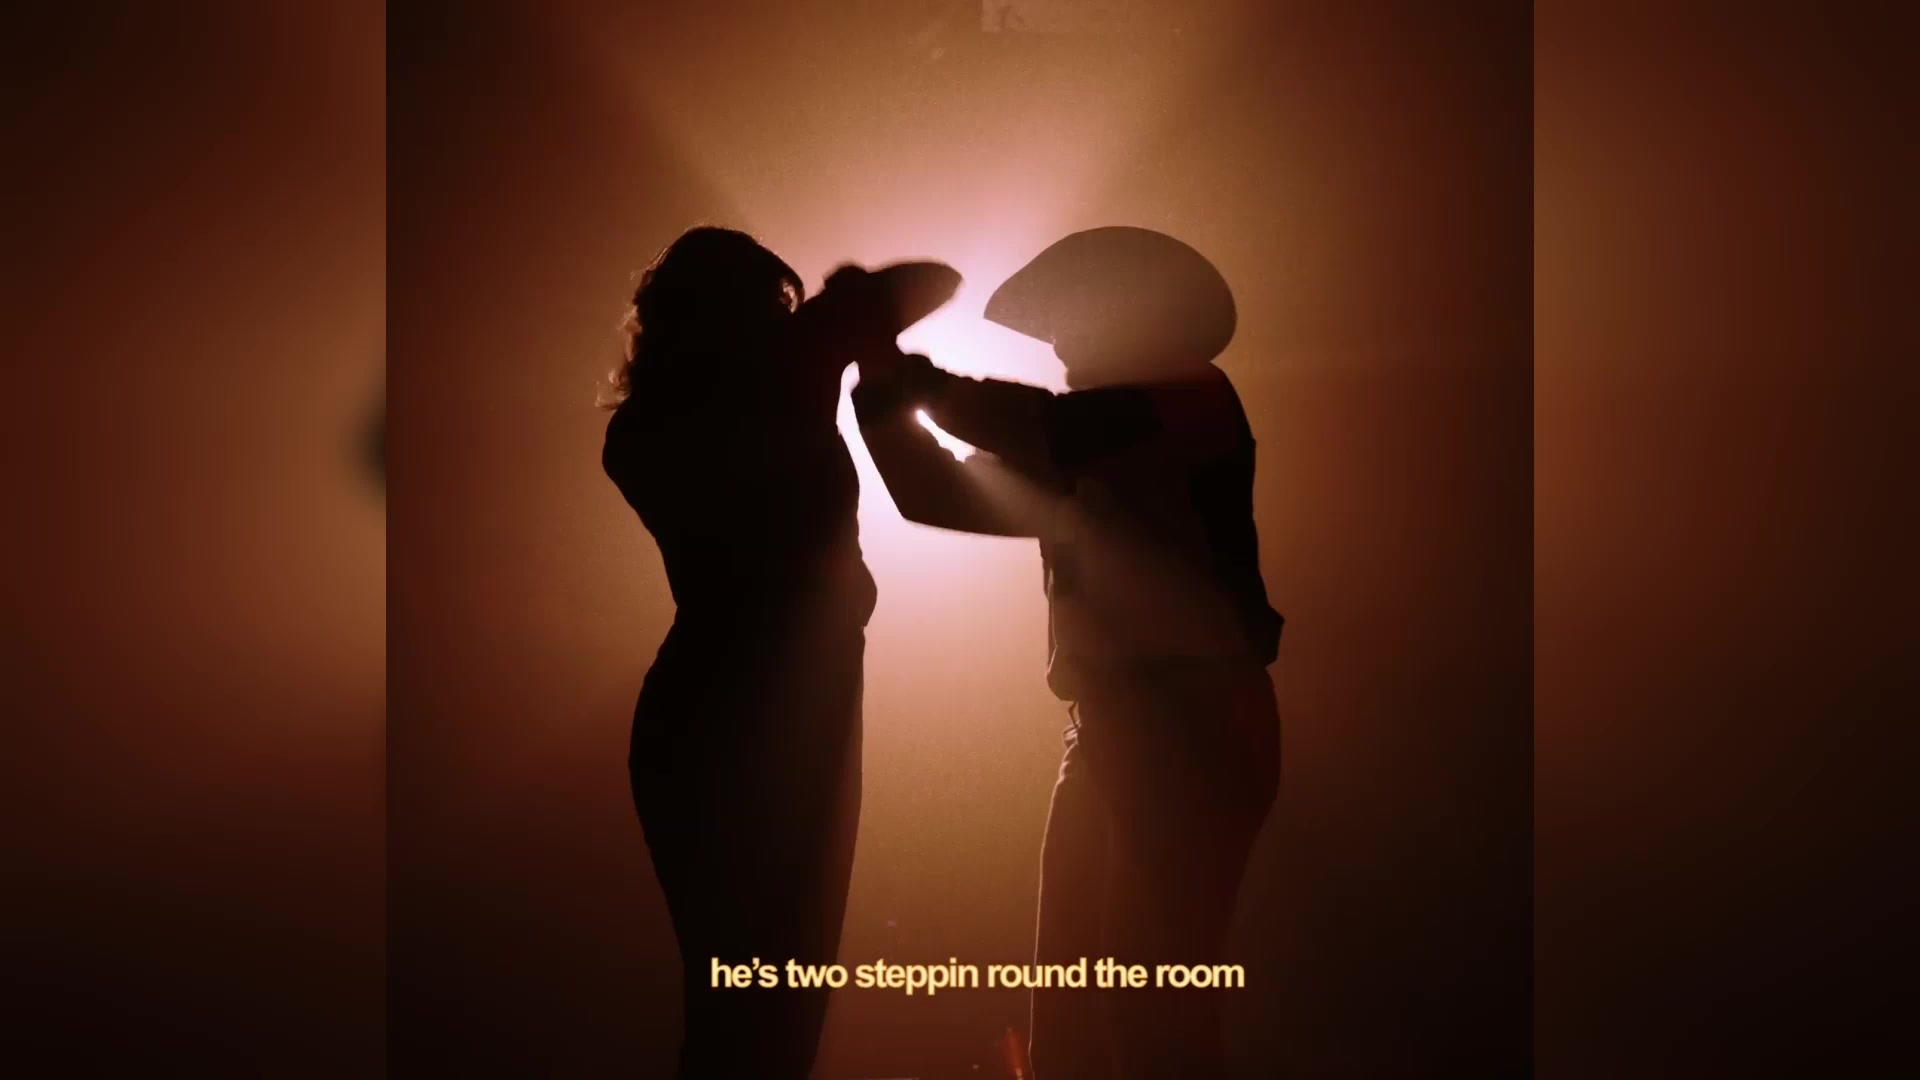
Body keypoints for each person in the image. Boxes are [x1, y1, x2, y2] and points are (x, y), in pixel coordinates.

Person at [851, 228, 1282, 1080]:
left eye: (1072, 321)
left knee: (1150, 1011)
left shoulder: (1187, 397)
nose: (1061, 347)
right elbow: (937, 492)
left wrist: (894, 370)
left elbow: (1037, 432)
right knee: (1080, 1006)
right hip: (1128, 721)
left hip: (1187, 718)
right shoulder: (1113, 437)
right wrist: (881, 378)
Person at [600, 226, 954, 1079]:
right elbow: (934, 280)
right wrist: (847, 298)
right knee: (780, 992)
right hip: (788, 711)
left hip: (699, 707)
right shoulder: (785, 370)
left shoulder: (639, 429)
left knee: (731, 995)